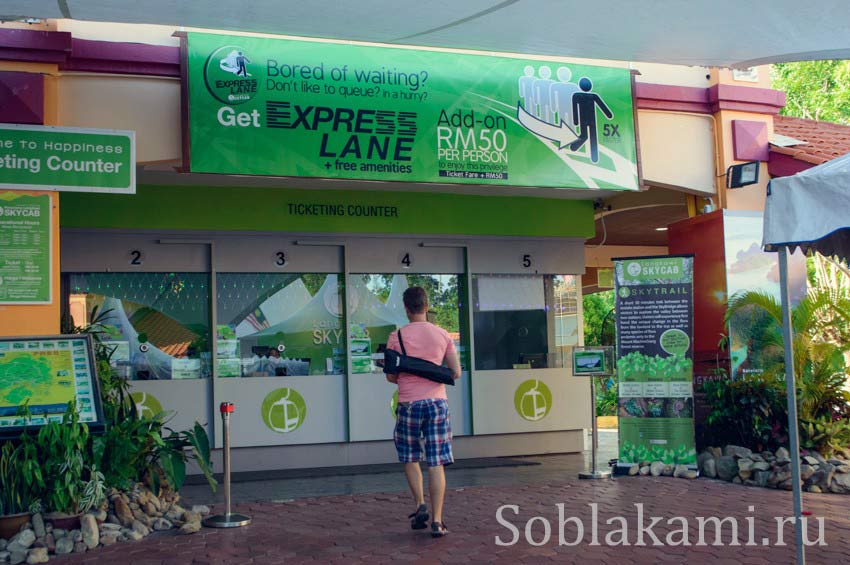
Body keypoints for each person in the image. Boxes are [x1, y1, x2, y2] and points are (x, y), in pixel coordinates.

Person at [385, 286, 461, 538]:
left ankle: (420, 504)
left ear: (406, 308)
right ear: (427, 306)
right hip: (437, 403)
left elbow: (391, 376)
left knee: (410, 456)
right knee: (436, 462)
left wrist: (409, 377)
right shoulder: (442, 335)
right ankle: (438, 522)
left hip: (408, 404)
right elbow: (455, 372)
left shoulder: (396, 336)